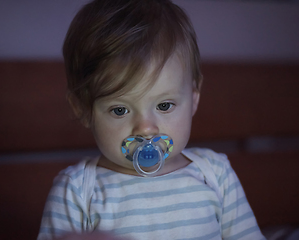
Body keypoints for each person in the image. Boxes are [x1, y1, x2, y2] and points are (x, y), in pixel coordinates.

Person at [37, 0, 265, 239]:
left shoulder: (216, 175)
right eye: (119, 110)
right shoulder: (77, 191)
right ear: (82, 109)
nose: (146, 128)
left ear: (194, 98)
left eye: (164, 105)